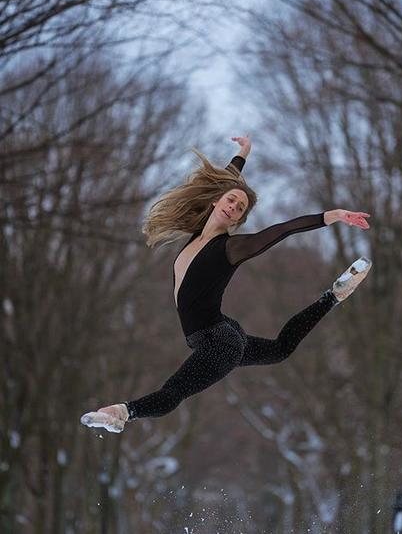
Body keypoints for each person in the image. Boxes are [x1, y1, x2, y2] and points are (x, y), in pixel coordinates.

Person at [81, 136, 372, 433]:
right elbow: (228, 181)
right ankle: (333, 296)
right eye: (231, 200)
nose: (233, 206)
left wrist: (333, 216)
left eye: (240, 207)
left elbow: (281, 230)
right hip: (220, 329)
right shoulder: (196, 235)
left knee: (173, 392)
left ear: (239, 219)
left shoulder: (230, 248)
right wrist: (242, 154)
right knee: (280, 349)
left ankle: (122, 412)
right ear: (216, 200)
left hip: (218, 340)